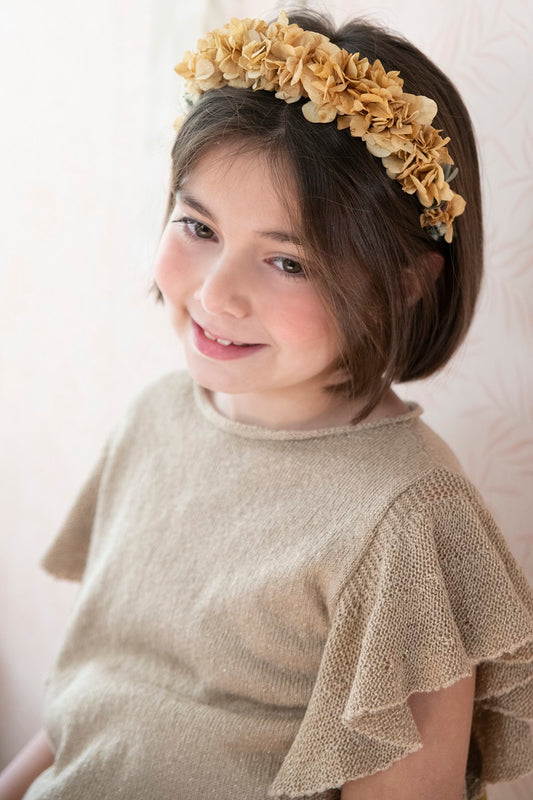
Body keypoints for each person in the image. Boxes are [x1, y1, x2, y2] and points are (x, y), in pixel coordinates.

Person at [2, 8, 532, 800]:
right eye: (198, 226)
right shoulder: (156, 417)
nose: (217, 294)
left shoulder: (410, 521)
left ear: (406, 281)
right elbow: (99, 702)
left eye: (287, 262)